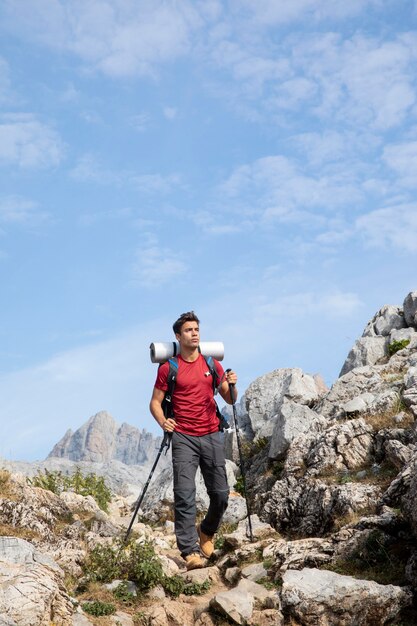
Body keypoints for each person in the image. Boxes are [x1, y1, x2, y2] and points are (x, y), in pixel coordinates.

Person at [150, 311, 238, 570]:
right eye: (188, 330)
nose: (195, 333)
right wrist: (163, 421)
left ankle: (206, 532)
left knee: (221, 494)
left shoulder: (212, 365)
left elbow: (230, 400)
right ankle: (189, 551)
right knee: (185, 495)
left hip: (211, 433)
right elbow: (155, 403)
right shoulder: (169, 368)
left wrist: (232, 384)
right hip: (184, 437)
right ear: (178, 336)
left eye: (197, 329)